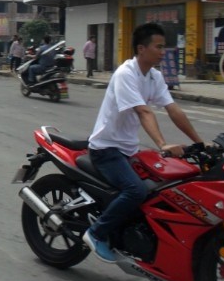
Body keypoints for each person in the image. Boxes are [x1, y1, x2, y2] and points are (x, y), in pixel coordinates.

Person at [83, 22, 204, 263]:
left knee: (159, 189)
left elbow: (173, 109)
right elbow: (144, 112)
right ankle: (96, 232)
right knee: (135, 191)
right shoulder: (126, 74)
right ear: (141, 48)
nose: (163, 52)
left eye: (164, 47)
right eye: (158, 47)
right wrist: (162, 144)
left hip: (128, 148)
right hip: (107, 149)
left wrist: (201, 143)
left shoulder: (154, 76)